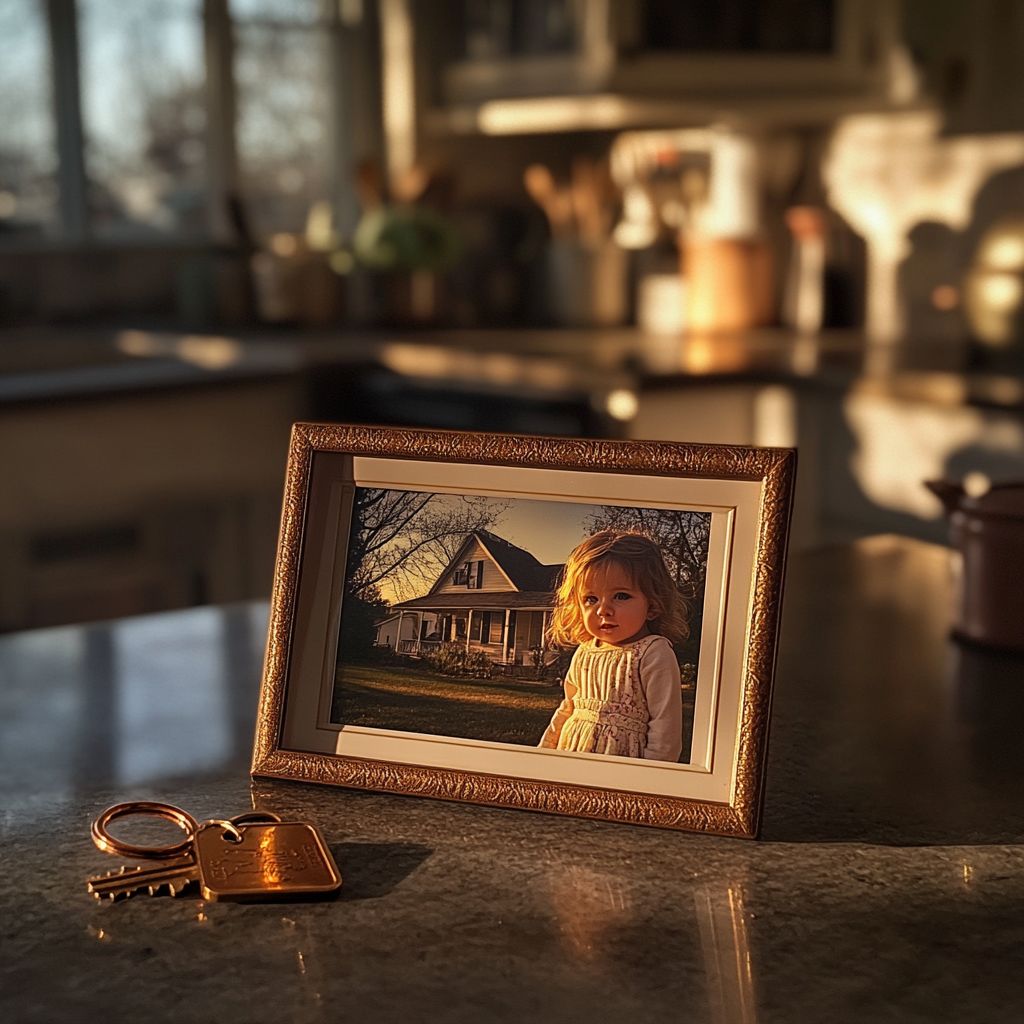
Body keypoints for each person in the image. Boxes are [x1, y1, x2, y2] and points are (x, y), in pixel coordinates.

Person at [538, 531, 689, 763]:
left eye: (620, 596)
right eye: (591, 599)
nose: (603, 609)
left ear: (653, 605)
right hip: (571, 757)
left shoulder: (653, 653)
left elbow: (665, 735)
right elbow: (566, 710)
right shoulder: (585, 653)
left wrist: (647, 784)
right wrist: (541, 755)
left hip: (621, 770)